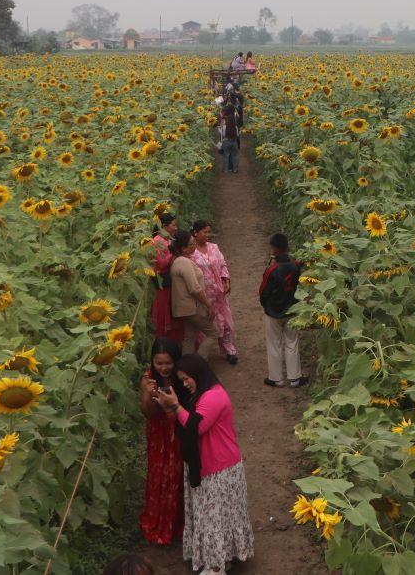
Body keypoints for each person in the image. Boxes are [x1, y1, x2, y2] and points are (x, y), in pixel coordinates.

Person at [153, 354, 254, 575]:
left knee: (214, 519)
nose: (186, 383)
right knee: (213, 517)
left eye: (188, 378)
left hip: (220, 468)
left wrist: (175, 405)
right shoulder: (197, 396)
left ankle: (215, 567)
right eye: (182, 379)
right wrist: (170, 409)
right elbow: (183, 425)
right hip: (207, 466)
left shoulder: (214, 396)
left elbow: (195, 427)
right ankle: (221, 558)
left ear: (199, 373)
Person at [138, 338, 185, 545]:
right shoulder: (148, 380)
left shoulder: (182, 377)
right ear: (152, 362)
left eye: (168, 363)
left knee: (178, 472)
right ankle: (161, 521)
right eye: (159, 363)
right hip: (159, 433)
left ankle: (180, 522)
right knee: (160, 473)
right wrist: (149, 396)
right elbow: (147, 413)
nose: (164, 368)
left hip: (179, 429)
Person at [259, 233, 306, 387]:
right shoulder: (295, 265)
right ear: (287, 247)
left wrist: (266, 305)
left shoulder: (271, 269)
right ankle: (295, 378)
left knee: (274, 343)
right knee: (292, 342)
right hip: (292, 309)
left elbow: (263, 291)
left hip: (273, 311)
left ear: (273, 249)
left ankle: (276, 378)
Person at [189, 221, 238, 364]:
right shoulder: (191, 253)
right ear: (195, 233)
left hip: (219, 294)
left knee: (226, 323)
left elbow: (222, 264)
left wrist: (226, 280)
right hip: (203, 296)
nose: (207, 235)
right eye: (204, 232)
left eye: (208, 232)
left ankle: (230, 350)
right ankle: (203, 356)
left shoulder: (214, 247)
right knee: (207, 325)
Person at [170, 230, 219, 360]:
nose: (194, 246)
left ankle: (187, 368)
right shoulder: (184, 262)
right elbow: (194, 288)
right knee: (213, 333)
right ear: (184, 248)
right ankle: (198, 363)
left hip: (185, 308)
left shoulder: (180, 261)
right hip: (192, 307)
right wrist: (208, 305)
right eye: (191, 244)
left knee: (189, 338)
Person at [149, 213, 184, 342]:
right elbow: (162, 263)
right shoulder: (157, 241)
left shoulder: (166, 238)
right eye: (173, 225)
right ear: (164, 226)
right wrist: (173, 253)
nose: (176, 228)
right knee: (164, 312)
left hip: (168, 280)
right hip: (163, 282)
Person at [218, 104, 239, 174]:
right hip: (234, 141)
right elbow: (238, 134)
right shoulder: (235, 126)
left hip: (226, 141)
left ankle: (225, 170)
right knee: (235, 156)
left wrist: (220, 128)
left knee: (226, 156)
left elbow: (222, 134)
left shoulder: (224, 126)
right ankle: (235, 169)